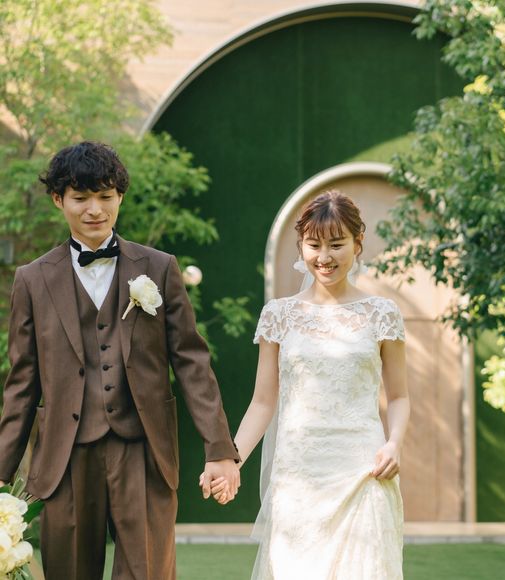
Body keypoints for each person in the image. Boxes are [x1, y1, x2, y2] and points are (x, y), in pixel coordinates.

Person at [0, 141, 240, 580]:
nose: (95, 209)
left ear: (120, 197)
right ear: (58, 200)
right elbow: (21, 385)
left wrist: (220, 449)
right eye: (81, 197)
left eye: (106, 196)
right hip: (65, 457)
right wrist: (0, 473)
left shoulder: (159, 267)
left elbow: (192, 363)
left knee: (148, 572)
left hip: (143, 449)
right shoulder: (32, 280)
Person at [206, 190, 410, 579]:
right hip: (298, 478)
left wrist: (394, 443)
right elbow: (262, 402)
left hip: (364, 471)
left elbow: (399, 396)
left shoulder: (382, 314)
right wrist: (232, 460)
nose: (325, 256)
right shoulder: (278, 315)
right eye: (314, 245)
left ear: (358, 244)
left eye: (337, 244)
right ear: (301, 246)